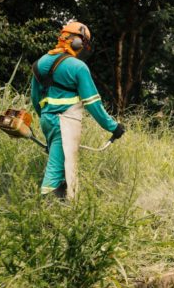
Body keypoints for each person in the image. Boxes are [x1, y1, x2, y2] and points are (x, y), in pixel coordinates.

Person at [30, 21, 124, 200]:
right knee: (56, 169)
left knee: (62, 166)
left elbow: (35, 100)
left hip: (47, 121)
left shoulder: (40, 63)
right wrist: (113, 127)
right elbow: (93, 103)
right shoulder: (78, 67)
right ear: (78, 42)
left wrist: (46, 118)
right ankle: (45, 213)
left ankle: (62, 211)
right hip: (64, 124)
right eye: (84, 44)